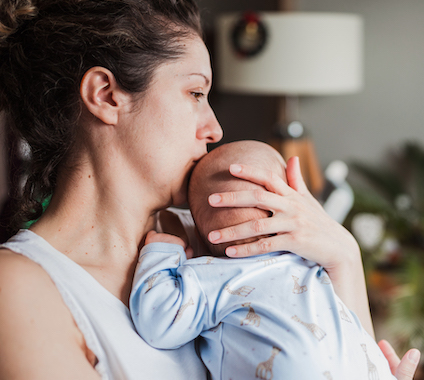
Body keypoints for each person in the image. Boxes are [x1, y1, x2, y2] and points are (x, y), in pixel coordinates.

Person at [0, 0, 419, 379]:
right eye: (195, 93)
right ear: (106, 95)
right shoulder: (20, 288)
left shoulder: (221, 238)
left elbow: (344, 355)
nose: (214, 128)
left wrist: (343, 256)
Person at [131, 140, 396, 379]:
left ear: (203, 237)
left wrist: (162, 254)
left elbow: (160, 323)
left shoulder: (212, 274)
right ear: (293, 197)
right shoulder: (312, 265)